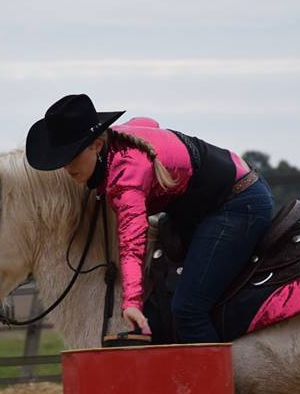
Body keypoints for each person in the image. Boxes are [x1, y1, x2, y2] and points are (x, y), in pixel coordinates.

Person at [25, 93, 273, 343]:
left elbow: (132, 243)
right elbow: (148, 122)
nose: (67, 167)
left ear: (97, 145)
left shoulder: (126, 174)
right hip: (211, 200)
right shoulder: (120, 137)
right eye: (62, 159)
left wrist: (131, 302)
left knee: (188, 311)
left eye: (72, 156)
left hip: (238, 205)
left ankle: (216, 382)